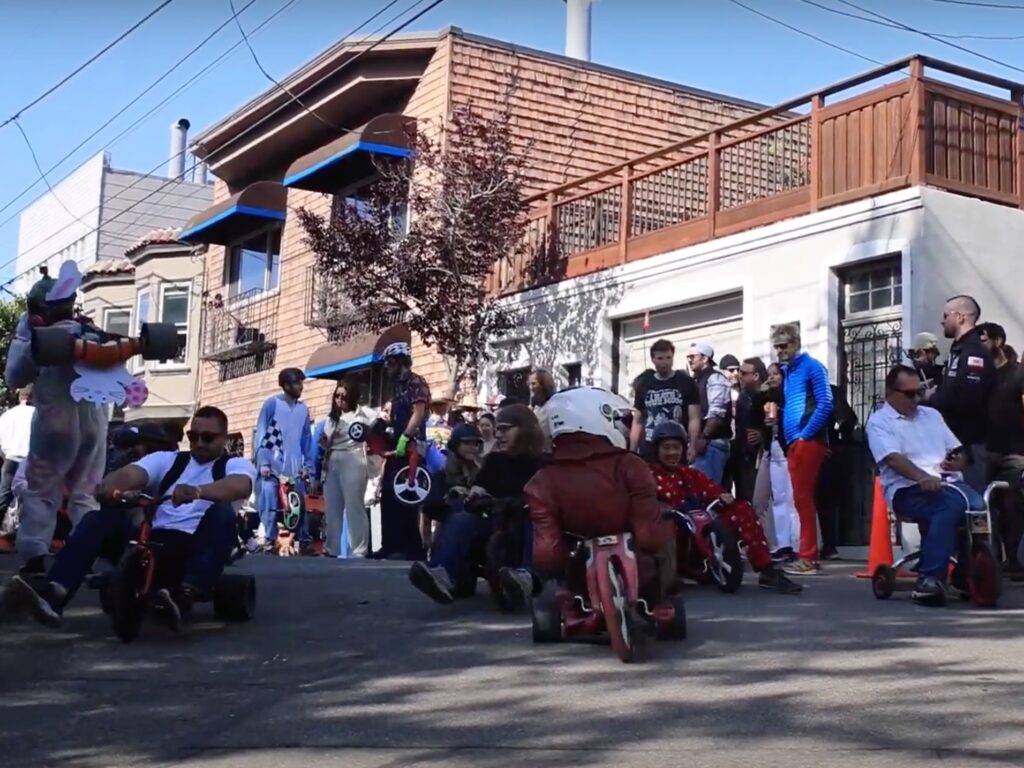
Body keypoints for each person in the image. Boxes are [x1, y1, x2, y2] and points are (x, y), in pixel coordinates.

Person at [5, 407, 255, 628]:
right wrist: (111, 488)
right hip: (152, 539)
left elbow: (239, 486)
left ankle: (186, 594)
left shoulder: (235, 465)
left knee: (221, 511)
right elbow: (131, 474)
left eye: (207, 438)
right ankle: (55, 593)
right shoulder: (169, 461)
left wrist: (198, 492)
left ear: (223, 438)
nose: (199, 443)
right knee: (97, 519)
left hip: (194, 546)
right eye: (193, 436)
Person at [512, 387, 677, 611]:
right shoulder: (630, 465)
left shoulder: (541, 481)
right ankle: (661, 600)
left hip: (579, 577)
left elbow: (548, 555)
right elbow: (648, 535)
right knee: (666, 517)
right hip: (641, 572)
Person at [4, 264, 109, 581]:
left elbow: (15, 376)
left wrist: (24, 337)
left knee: (41, 491)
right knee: (85, 493)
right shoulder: (91, 333)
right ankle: (84, 558)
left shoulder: (37, 336)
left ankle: (35, 558)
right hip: (95, 423)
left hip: (54, 421)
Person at [866, 365, 983, 606]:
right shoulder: (879, 422)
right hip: (907, 488)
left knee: (979, 506)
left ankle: (968, 575)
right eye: (910, 394)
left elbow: (957, 449)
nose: (916, 399)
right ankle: (929, 579)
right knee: (947, 507)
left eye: (919, 392)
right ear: (890, 393)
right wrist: (922, 477)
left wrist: (957, 461)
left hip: (948, 484)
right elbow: (892, 458)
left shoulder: (931, 416)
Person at [408, 404, 543, 604]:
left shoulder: (542, 464)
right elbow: (477, 491)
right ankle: (442, 574)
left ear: (525, 429)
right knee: (461, 520)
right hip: (495, 521)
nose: (498, 435)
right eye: (498, 429)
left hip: (526, 526)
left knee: (535, 517)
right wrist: (475, 496)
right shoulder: (494, 461)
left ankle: (527, 577)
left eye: (505, 429)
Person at [647, 420, 801, 593]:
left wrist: (722, 496)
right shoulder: (647, 476)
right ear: (657, 450)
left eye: (676, 448)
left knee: (741, 508)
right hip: (671, 536)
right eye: (666, 448)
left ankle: (766, 570)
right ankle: (666, 576)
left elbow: (713, 491)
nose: (672, 453)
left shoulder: (689, 474)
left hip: (699, 530)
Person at [771, 323, 833, 576]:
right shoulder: (790, 372)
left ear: (796, 343)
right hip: (797, 442)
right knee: (801, 499)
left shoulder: (812, 367)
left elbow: (826, 402)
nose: (780, 351)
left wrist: (804, 435)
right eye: (777, 347)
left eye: (784, 345)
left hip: (805, 441)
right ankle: (807, 555)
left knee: (803, 499)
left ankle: (808, 557)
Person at [926, 295, 995, 492]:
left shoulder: (974, 352)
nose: (943, 321)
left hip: (971, 445)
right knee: (953, 501)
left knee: (971, 502)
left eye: (945, 316)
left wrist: (932, 398)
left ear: (959, 317)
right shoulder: (958, 350)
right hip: (954, 443)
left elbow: (968, 396)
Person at [373, 341, 431, 561]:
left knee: (406, 496)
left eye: (389, 363)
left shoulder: (416, 382)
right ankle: (389, 545)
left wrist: (406, 435)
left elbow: (418, 413)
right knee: (389, 494)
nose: (387, 368)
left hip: (412, 448)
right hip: (397, 447)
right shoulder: (396, 388)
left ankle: (411, 549)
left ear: (399, 362)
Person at [978, 322, 1024, 572]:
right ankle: (990, 560)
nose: (979, 347)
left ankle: (1013, 560)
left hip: (1013, 450)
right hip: (983, 449)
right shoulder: (978, 377)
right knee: (983, 508)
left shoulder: (1016, 373)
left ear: (998, 341)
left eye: (983, 340)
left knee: (1012, 505)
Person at [254, 367, 315, 552]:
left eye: (301, 383)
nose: (301, 387)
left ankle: (303, 541)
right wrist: (263, 462)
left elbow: (306, 440)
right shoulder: (272, 404)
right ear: (286, 385)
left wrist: (308, 466)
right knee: (270, 503)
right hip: (272, 467)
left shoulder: (303, 409)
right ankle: (269, 539)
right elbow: (261, 434)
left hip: (295, 468)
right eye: (297, 383)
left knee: (299, 507)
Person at [313, 380, 373, 558]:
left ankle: (359, 549)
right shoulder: (332, 419)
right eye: (337, 396)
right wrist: (325, 440)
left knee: (354, 505)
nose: (339, 399)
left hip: (353, 457)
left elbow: (380, 422)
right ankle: (331, 548)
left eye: (344, 396)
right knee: (332, 507)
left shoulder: (363, 413)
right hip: (333, 459)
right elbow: (323, 443)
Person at [629, 339, 702, 460]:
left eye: (668, 358)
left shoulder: (686, 382)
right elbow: (637, 421)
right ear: (653, 359)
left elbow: (694, 418)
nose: (665, 362)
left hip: (676, 447)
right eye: (660, 358)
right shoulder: (644, 384)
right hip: (650, 447)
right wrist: (632, 451)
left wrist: (693, 445)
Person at [685, 341, 733, 485]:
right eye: (688, 357)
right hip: (701, 443)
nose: (689, 360)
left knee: (706, 489)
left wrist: (703, 438)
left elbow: (716, 413)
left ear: (705, 358)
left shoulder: (715, 378)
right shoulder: (696, 380)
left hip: (712, 444)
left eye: (693, 356)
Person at [0, 385, 34, 534]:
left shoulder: (8, 414)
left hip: (10, 458)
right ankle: (21, 533)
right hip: (30, 461)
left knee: (3, 496)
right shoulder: (38, 415)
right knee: (29, 498)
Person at [529, 367, 556, 449]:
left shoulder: (555, 405)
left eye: (534, 384)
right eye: (529, 384)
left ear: (544, 384)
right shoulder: (533, 406)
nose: (531, 388)